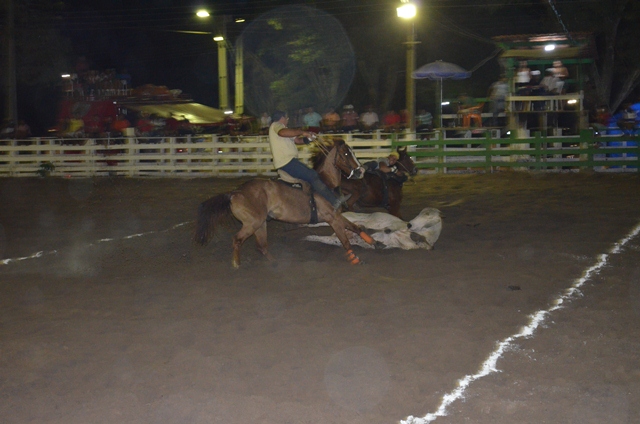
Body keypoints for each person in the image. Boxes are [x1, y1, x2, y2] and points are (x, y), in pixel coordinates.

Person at [268, 110, 350, 211]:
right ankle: (333, 201)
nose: (287, 120)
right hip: (286, 162)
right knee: (312, 175)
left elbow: (297, 141)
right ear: (283, 118)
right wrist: (303, 132)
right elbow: (282, 133)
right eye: (287, 118)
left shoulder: (283, 129)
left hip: (289, 161)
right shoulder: (277, 125)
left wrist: (309, 139)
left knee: (311, 175)